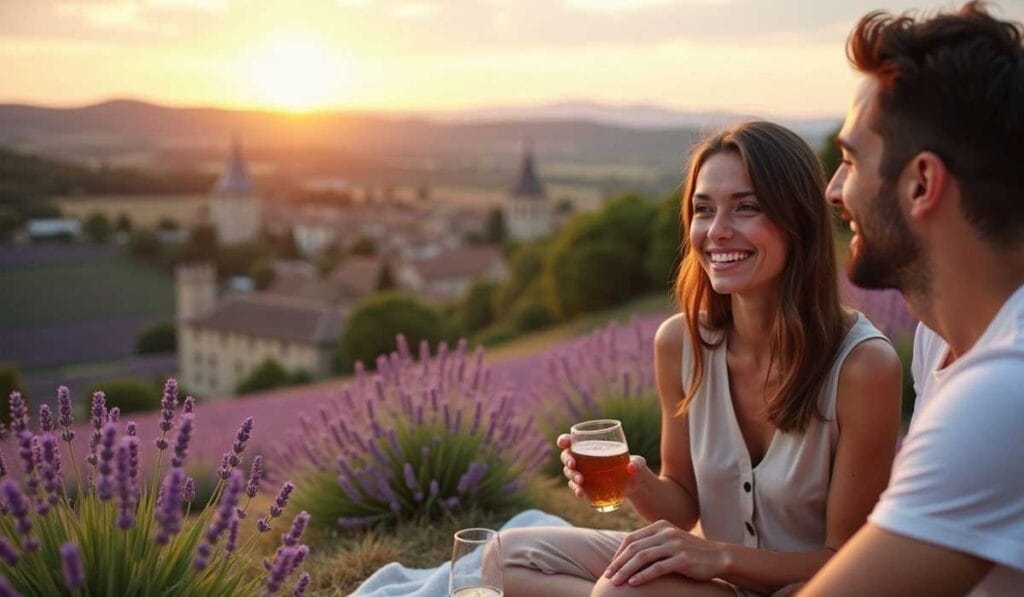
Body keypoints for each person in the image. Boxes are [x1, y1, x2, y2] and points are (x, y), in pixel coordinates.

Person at [499, 121, 903, 597]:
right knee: (501, 560)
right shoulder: (681, 344)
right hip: (711, 578)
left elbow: (850, 562)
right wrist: (635, 481)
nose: (717, 232)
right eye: (703, 210)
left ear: (799, 222)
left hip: (805, 589)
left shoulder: (862, 366)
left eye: (747, 208)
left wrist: (720, 556)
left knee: (620, 592)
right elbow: (683, 507)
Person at [801, 3, 1024, 596]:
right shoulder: (941, 341)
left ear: (921, 183)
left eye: (849, 161)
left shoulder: (1004, 388)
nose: (832, 190)